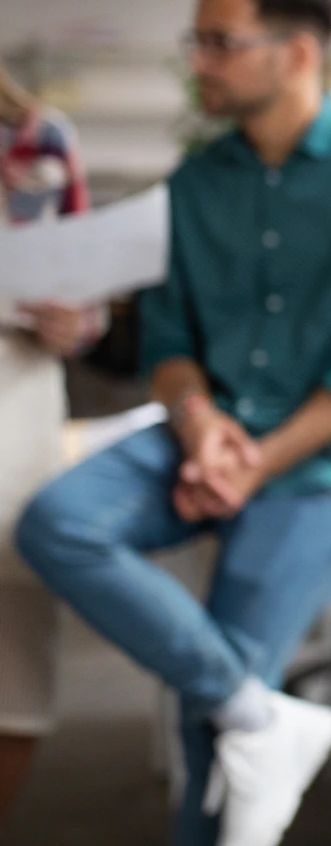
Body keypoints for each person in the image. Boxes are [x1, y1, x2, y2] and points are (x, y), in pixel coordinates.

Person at [16, 0, 331, 846]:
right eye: (199, 40)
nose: (198, 61)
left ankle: (234, 727)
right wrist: (202, 421)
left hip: (327, 461)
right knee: (57, 522)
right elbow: (170, 347)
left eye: (219, 41)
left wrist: (249, 462)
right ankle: (264, 715)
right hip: (204, 433)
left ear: (296, 52)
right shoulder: (197, 184)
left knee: (202, 709)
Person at [0, 65, 103, 819]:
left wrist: (79, 321)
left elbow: (85, 293)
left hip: (16, 409)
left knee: (13, 672)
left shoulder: (35, 138)